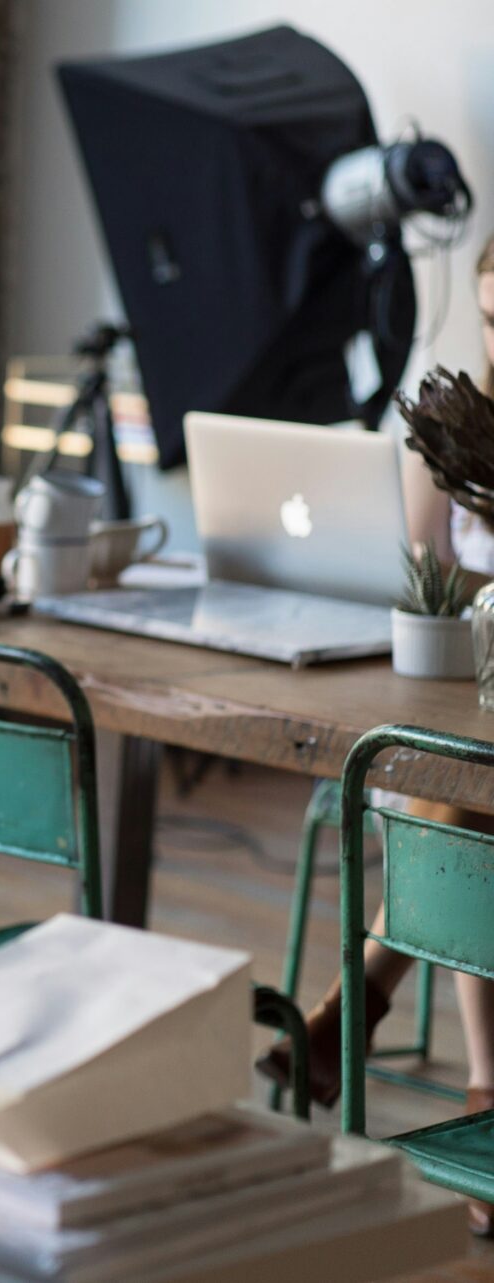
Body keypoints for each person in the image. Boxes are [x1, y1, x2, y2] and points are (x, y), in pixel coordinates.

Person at [257, 231, 494, 1236]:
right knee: (464, 785)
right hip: (473, 702)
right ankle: (486, 1087)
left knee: (465, 794)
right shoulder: (459, 424)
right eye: (490, 319)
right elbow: (432, 586)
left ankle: (359, 1004)